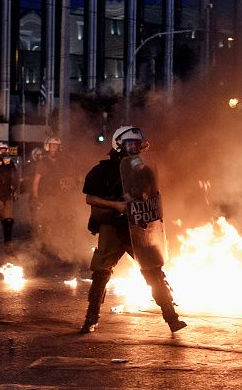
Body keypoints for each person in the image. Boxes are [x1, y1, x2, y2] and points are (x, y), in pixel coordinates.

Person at [80, 126, 187, 334]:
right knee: (101, 272)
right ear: (118, 145)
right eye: (130, 144)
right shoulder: (101, 171)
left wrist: (143, 199)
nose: (134, 148)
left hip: (137, 227)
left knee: (153, 270)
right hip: (112, 226)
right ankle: (91, 317)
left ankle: (172, 318)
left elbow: (152, 196)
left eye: (137, 145)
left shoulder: (144, 170)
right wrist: (116, 205)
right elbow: (90, 198)